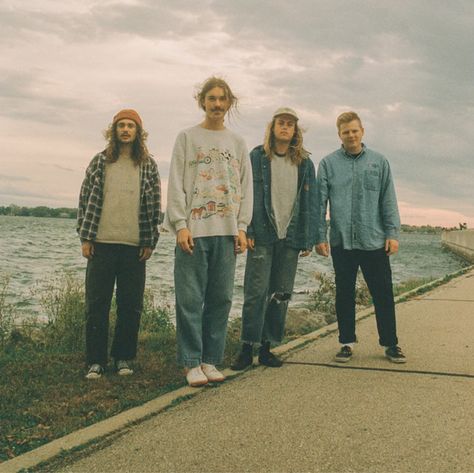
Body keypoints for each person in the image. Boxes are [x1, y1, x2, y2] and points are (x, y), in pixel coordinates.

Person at [165, 77, 253, 387]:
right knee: (190, 299)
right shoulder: (187, 137)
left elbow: (246, 187)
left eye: (222, 99)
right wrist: (180, 224)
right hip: (194, 231)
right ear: (202, 102)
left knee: (221, 299)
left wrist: (242, 228)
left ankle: (210, 360)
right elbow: (176, 182)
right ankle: (191, 363)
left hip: (226, 233)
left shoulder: (237, 143)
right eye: (211, 98)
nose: (217, 104)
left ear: (229, 104)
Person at [315, 111, 406, 363]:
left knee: (383, 294)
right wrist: (319, 236)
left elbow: (388, 200)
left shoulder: (379, 162)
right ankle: (346, 342)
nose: (351, 135)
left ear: (362, 131)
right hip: (342, 241)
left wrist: (392, 233)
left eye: (355, 130)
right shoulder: (327, 164)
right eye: (346, 132)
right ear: (339, 135)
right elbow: (319, 203)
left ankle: (390, 344)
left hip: (374, 240)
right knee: (344, 293)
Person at [77, 109, 161, 379]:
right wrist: (85, 237)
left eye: (131, 126)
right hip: (101, 243)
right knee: (96, 305)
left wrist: (149, 241)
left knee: (130, 305)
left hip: (134, 247)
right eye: (121, 126)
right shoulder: (100, 161)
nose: (126, 130)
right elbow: (85, 198)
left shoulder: (147, 164)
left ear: (138, 132)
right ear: (114, 131)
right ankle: (96, 361)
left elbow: (154, 205)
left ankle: (123, 358)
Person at [231, 107, 317, 370]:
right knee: (256, 292)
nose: (285, 127)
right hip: (263, 234)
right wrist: (248, 229)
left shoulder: (304, 163)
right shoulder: (257, 157)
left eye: (290, 125)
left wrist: (307, 238)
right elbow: (245, 194)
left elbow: (310, 203)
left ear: (295, 131)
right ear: (273, 127)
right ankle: (247, 347)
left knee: (281, 293)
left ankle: (267, 348)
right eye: (281, 123)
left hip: (290, 237)